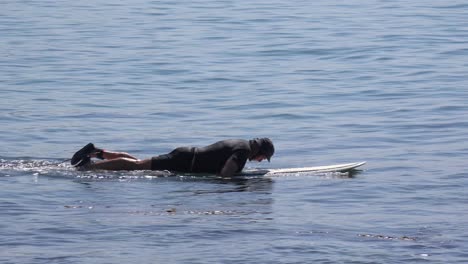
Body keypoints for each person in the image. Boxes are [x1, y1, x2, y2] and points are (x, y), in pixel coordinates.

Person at [71, 138, 275, 177]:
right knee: (138, 166)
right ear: (260, 152)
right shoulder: (242, 152)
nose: (259, 162)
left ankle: (97, 152)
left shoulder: (240, 143)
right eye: (263, 159)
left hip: (187, 155)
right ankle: (89, 168)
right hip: (185, 160)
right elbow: (225, 174)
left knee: (139, 163)